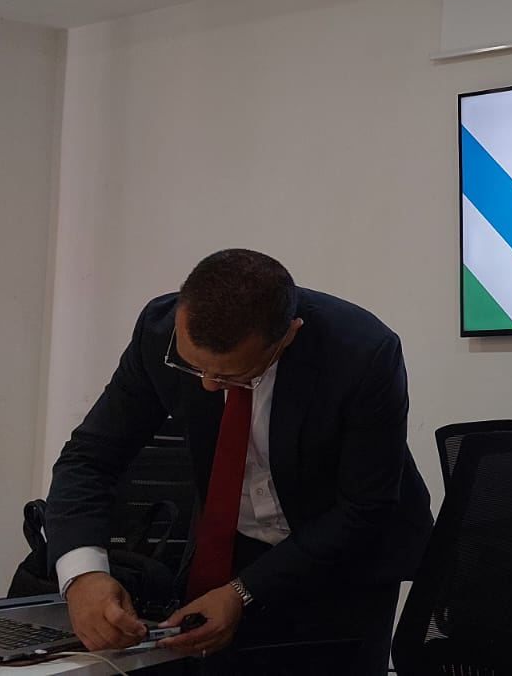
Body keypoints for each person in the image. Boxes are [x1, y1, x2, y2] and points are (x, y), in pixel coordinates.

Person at [45, 249, 433, 674]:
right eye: (192, 366)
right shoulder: (159, 333)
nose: (209, 386)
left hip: (345, 564)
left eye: (231, 376)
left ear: (288, 335)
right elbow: (90, 457)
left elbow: (364, 508)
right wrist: (83, 574)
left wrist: (243, 592)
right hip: (234, 550)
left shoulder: (361, 353)